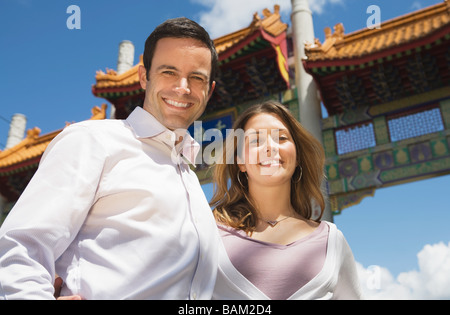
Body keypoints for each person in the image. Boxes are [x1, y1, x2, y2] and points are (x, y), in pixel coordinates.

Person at [0, 17, 219, 300]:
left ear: (209, 91)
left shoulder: (187, 175)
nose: (182, 87)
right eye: (168, 72)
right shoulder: (93, 140)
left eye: (197, 77)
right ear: (143, 76)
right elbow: (19, 247)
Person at [209, 101, 362, 299]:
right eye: (256, 141)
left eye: (281, 138)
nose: (270, 148)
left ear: (297, 156)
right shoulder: (209, 234)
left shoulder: (333, 241)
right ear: (240, 162)